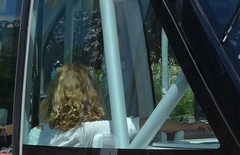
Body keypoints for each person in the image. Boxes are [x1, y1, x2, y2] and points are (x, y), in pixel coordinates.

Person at [31, 63, 209, 147]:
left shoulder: (35, 134)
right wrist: (188, 126)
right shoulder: (87, 130)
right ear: (88, 95)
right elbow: (146, 123)